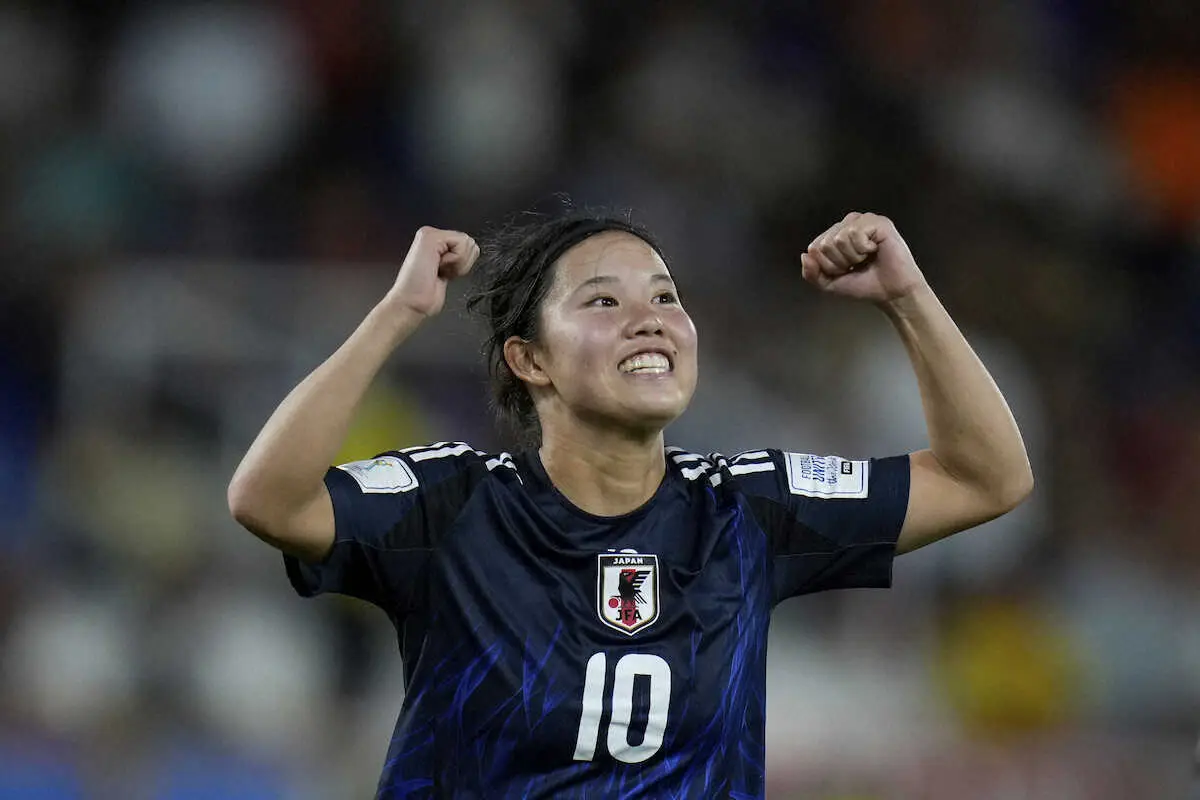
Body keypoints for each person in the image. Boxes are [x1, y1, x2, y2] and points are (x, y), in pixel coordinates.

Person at [227, 208, 1033, 798]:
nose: (651, 322)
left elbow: (986, 478)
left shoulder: (746, 511)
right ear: (530, 360)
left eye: (666, 298)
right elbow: (268, 499)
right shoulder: (455, 507)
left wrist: (907, 295)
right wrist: (396, 314)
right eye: (604, 303)